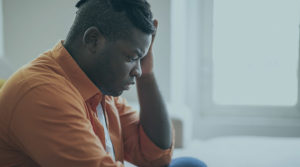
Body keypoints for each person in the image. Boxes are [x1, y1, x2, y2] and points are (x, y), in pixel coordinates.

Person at [0, 0, 207, 166]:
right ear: (93, 40)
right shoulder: (41, 94)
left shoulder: (97, 88)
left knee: (191, 164)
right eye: (130, 57)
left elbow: (155, 156)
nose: (137, 70)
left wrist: (148, 74)